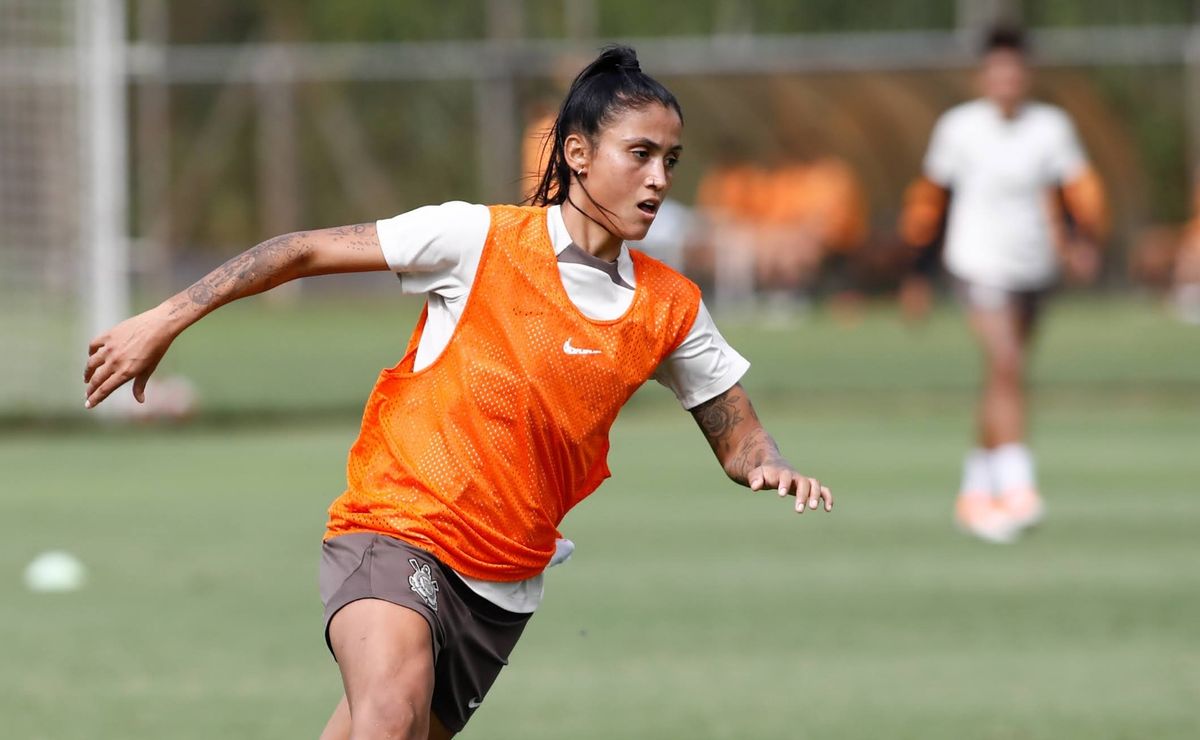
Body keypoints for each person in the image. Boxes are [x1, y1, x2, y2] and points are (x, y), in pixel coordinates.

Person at [83, 46, 833, 739]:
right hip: (397, 524)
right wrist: (166, 317)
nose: (660, 179)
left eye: (670, 160)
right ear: (577, 153)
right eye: (639, 155)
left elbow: (738, 436)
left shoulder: (670, 306)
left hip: (503, 583)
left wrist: (767, 462)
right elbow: (304, 248)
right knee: (389, 717)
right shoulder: (478, 240)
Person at [900, 27, 1106, 544]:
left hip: (1033, 269)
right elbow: (935, 202)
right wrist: (917, 274)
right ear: (984, 76)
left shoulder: (1051, 128)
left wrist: (1081, 242)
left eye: (1015, 70)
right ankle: (1017, 485)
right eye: (997, 70)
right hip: (977, 264)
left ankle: (974, 495)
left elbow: (1070, 192)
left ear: (1027, 75)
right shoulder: (959, 128)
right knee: (1007, 363)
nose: (1006, 80)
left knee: (1002, 379)